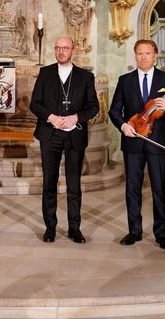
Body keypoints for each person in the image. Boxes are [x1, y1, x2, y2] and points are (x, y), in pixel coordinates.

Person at [108, 39, 165, 250]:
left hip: (158, 143)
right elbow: (114, 110)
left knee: (159, 189)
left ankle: (161, 233)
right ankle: (134, 231)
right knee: (132, 188)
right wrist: (123, 125)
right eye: (139, 54)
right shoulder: (125, 80)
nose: (143, 57)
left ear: (155, 56)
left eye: (148, 53)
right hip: (133, 141)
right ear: (135, 56)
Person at [29, 36, 99, 243]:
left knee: (74, 184)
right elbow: (35, 104)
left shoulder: (85, 77)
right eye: (58, 48)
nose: (61, 51)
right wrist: (51, 117)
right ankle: (50, 227)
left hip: (74, 134)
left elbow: (94, 107)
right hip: (50, 134)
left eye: (65, 48)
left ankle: (74, 228)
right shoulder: (45, 73)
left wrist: (76, 117)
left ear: (72, 51)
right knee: (49, 183)